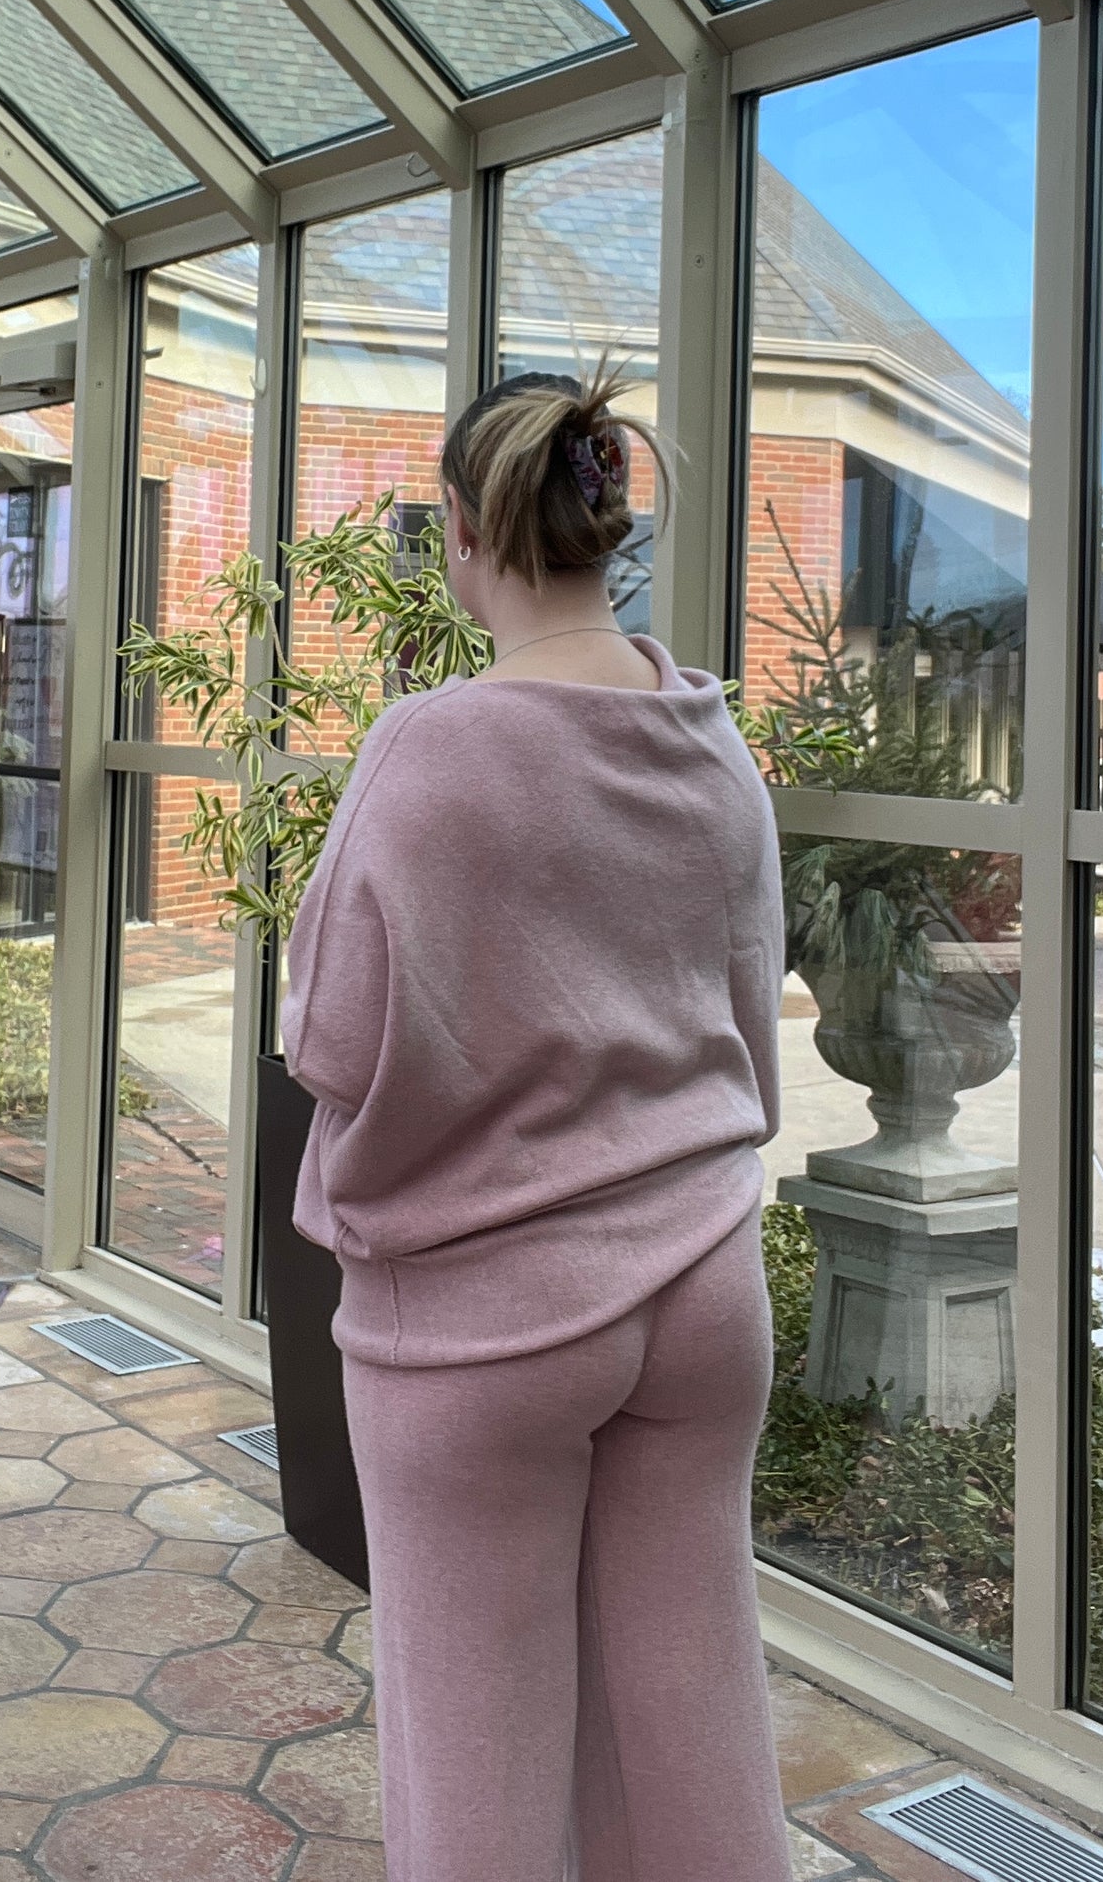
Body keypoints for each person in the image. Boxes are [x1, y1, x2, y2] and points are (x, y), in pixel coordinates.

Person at [280, 365, 790, 1882]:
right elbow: (749, 1006)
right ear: (605, 523)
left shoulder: (427, 746)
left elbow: (330, 1036)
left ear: (460, 527)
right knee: (695, 1732)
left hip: (479, 1317)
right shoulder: (709, 737)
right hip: (703, 1284)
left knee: (479, 1770)